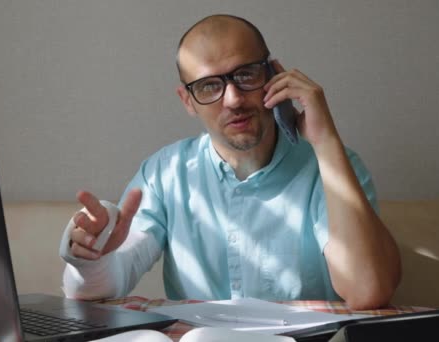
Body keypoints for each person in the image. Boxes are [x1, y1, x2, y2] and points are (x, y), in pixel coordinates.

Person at [59, 14, 401, 310]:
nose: (233, 99)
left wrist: (326, 141)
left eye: (246, 75)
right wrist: (93, 259)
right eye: (209, 86)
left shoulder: (334, 167)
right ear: (188, 101)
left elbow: (367, 291)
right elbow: (107, 282)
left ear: (274, 74)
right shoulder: (165, 174)